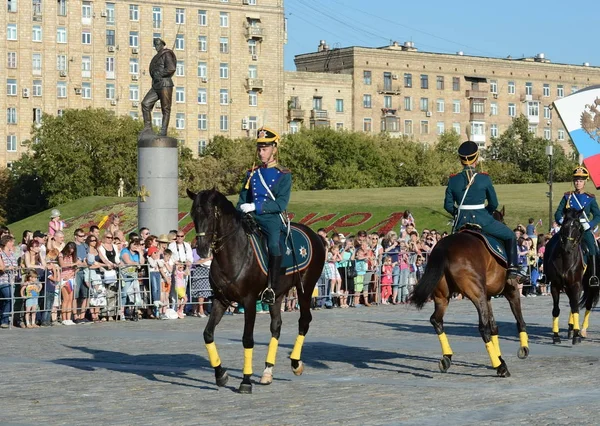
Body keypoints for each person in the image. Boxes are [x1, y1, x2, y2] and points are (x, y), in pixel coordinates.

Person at [444, 140, 519, 278]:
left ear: (461, 160)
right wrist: (486, 212)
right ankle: (513, 268)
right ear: (476, 159)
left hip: (461, 222)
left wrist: (458, 213)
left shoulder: (453, 180)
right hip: (482, 220)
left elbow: (447, 205)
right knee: (510, 235)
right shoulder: (484, 179)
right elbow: (494, 203)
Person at [237, 126, 291, 305]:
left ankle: (272, 288)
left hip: (270, 218)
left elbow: (280, 204)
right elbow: (241, 199)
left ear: (274, 149)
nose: (261, 152)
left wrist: (255, 206)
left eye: (265, 148)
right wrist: (240, 210)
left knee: (274, 245)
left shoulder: (283, 175)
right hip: (250, 217)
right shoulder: (252, 173)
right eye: (259, 148)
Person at [554, 166, 600, 277]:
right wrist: (561, 221)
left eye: (580, 181)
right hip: (569, 228)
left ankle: (593, 276)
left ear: (585, 182)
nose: (578, 183)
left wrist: (589, 224)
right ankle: (550, 273)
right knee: (552, 245)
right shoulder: (567, 197)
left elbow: (598, 215)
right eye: (576, 181)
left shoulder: (590, 198)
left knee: (592, 248)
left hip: (583, 228)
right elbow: (558, 212)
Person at [141, 38, 177, 137]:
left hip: (165, 84)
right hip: (156, 85)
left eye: (158, 44)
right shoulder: (156, 57)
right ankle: (148, 128)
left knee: (165, 108)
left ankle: (163, 131)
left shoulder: (167, 54)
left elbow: (171, 68)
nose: (156, 46)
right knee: (145, 103)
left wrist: (160, 74)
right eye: (155, 44)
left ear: (162, 44)